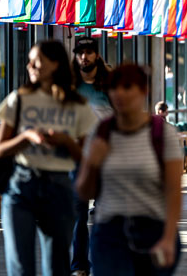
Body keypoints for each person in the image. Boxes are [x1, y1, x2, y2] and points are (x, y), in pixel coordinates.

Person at [0, 40, 96, 276]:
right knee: (20, 266)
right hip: (21, 186)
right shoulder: (18, 99)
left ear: (55, 64)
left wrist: (66, 140)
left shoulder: (76, 105)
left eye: (36, 61)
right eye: (29, 60)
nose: (30, 65)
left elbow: (83, 156)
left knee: (56, 266)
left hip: (59, 187)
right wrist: (27, 136)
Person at [76, 64, 183, 276]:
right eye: (114, 87)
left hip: (153, 229)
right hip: (109, 232)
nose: (119, 93)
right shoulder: (101, 132)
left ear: (144, 91)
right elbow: (83, 192)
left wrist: (169, 238)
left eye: (127, 87)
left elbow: (173, 191)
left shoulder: (162, 133)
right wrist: (91, 164)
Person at [71, 36, 113, 276]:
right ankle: (79, 265)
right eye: (80, 53)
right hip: (78, 159)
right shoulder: (70, 85)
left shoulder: (109, 84)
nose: (83, 57)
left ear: (96, 55)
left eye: (88, 52)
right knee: (78, 214)